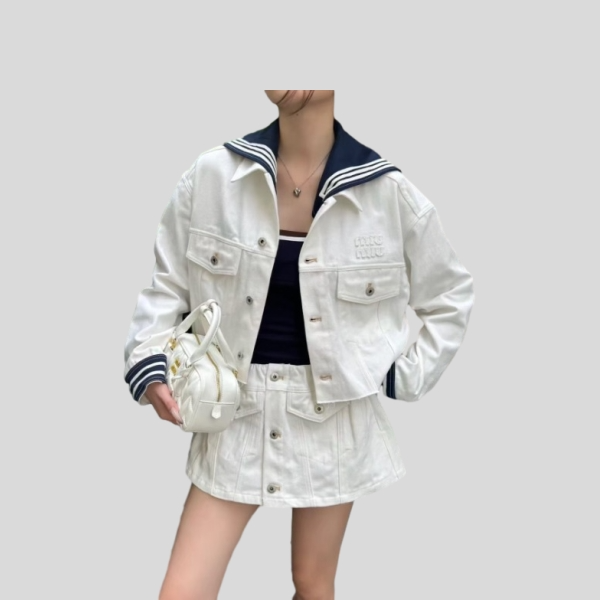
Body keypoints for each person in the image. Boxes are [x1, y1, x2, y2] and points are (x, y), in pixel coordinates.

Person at [123, 90, 475, 600]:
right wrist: (150, 362)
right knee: (182, 592)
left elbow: (450, 295)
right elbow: (167, 285)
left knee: (313, 584)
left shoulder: (385, 194)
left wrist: (399, 373)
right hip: (232, 414)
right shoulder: (214, 176)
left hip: (334, 419)